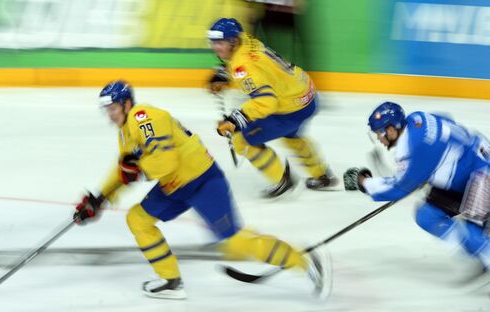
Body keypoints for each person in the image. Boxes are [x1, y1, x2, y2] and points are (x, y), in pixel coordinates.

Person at [72, 80, 331, 300]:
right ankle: (171, 281)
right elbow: (124, 171)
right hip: (174, 186)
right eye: (107, 109)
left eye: (113, 108)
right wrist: (99, 198)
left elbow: (164, 161)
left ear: (127, 103)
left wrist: (138, 168)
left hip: (202, 180)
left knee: (234, 241)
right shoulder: (125, 133)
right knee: (138, 219)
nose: (110, 114)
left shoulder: (143, 118)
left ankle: (304, 261)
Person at [344, 102, 490, 281]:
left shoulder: (412, 148)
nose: (380, 139)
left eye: (380, 133)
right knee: (427, 216)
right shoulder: (416, 118)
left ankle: (485, 252)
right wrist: (431, 167)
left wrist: (364, 183)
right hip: (470, 169)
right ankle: (478, 250)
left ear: (391, 129)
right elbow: (446, 118)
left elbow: (398, 188)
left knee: (473, 234)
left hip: (482, 176)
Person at [207, 18, 336, 198]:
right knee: (291, 136)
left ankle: (281, 179)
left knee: (241, 140)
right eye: (213, 42)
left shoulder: (242, 65)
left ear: (233, 41)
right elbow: (250, 63)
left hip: (290, 108)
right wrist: (224, 72)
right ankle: (321, 174)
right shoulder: (246, 39)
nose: (215, 47)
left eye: (219, 43)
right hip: (307, 94)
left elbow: (266, 102)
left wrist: (235, 120)